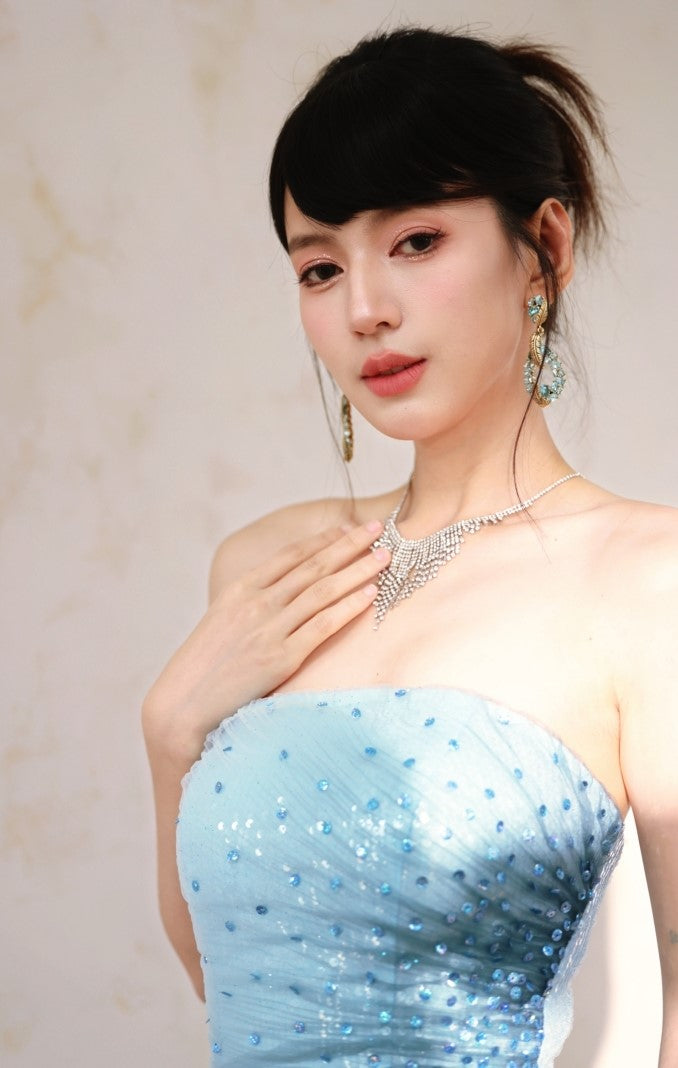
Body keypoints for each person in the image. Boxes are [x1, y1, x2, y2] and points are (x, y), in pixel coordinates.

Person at [142, 27, 678, 1067]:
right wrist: (168, 737)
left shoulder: (649, 583)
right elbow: (229, 974)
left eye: (417, 242)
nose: (365, 310)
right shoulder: (266, 568)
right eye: (320, 267)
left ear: (546, 246)